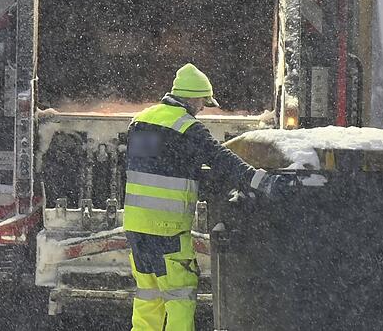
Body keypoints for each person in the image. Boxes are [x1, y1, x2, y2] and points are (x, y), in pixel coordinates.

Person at [123, 63, 292, 331]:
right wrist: (261, 181)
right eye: (203, 101)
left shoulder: (140, 121)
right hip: (167, 229)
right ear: (192, 98)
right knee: (180, 295)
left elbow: (156, 167)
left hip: (136, 225)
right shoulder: (187, 128)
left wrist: (195, 177)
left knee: (148, 295)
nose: (202, 107)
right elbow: (220, 158)